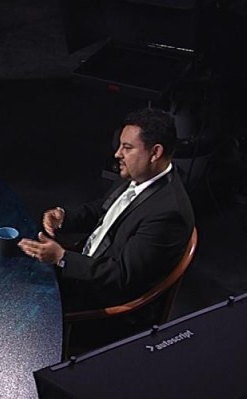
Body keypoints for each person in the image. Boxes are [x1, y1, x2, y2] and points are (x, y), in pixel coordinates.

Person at [18, 107, 195, 313]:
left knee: (14, 302)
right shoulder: (135, 174)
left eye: (127, 147)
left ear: (155, 153)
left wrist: (62, 258)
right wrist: (64, 217)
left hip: (99, 299)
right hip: (85, 265)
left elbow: (123, 277)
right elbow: (102, 210)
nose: (117, 154)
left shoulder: (168, 214)